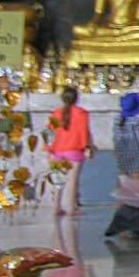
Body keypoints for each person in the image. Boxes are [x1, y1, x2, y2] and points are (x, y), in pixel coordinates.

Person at [48, 86, 94, 215]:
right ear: (76, 98)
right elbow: (84, 132)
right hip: (74, 150)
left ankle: (56, 207)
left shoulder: (55, 113)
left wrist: (48, 149)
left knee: (58, 180)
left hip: (57, 150)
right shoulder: (82, 113)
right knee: (72, 180)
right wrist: (89, 146)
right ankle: (71, 208)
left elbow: (50, 132)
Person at [112, 92, 139, 180]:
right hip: (134, 152)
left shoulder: (117, 119)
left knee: (123, 175)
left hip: (121, 151)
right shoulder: (134, 121)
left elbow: (115, 137)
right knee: (137, 177)